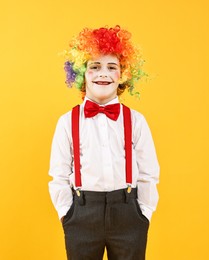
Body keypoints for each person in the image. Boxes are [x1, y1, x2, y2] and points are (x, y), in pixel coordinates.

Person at [48, 25, 160, 260]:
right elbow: (58, 174)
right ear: (81, 73)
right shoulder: (67, 122)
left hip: (128, 212)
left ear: (123, 74)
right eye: (94, 67)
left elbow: (149, 172)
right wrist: (66, 213)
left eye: (112, 67)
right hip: (82, 213)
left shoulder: (136, 121)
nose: (103, 74)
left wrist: (144, 213)